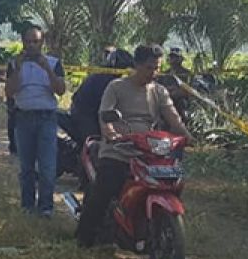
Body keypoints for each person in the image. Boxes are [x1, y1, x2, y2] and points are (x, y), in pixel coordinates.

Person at [76, 44, 192, 247]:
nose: (153, 73)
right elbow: (105, 115)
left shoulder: (159, 91)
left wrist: (187, 136)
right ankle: (84, 238)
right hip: (119, 149)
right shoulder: (116, 87)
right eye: (149, 68)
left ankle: (156, 227)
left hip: (149, 150)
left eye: (157, 68)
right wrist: (110, 132)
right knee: (105, 187)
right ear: (136, 65)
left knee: (172, 180)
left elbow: (173, 118)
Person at [5, 24, 66, 217]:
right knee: (26, 167)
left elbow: (61, 90)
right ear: (22, 42)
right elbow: (9, 91)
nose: (31, 46)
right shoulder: (14, 63)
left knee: (48, 166)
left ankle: (46, 207)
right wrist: (18, 68)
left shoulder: (54, 62)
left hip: (46, 118)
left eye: (36, 42)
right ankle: (27, 206)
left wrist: (47, 69)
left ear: (42, 43)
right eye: (28, 41)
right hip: (23, 117)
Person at [68, 48, 133, 144]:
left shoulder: (107, 76)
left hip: (89, 111)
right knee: (95, 143)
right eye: (122, 67)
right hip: (85, 114)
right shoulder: (106, 79)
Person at [157, 46, 194, 121]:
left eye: (175, 57)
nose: (173, 60)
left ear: (180, 59)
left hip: (180, 101)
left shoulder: (187, 74)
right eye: (171, 57)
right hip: (165, 100)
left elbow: (189, 90)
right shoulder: (164, 74)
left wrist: (176, 91)